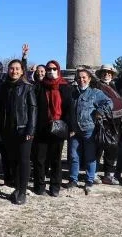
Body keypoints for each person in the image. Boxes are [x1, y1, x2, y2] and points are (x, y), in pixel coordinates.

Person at [0, 59, 36, 205]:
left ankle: (22, 191)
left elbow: (33, 109)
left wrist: (30, 129)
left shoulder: (28, 87)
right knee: (13, 160)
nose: (14, 71)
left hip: (23, 129)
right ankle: (16, 188)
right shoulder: (3, 87)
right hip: (7, 130)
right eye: (12, 68)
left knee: (23, 161)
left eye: (17, 68)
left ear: (22, 71)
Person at [68, 67, 112, 194]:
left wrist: (100, 112)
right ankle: (73, 179)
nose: (81, 80)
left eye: (84, 77)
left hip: (89, 129)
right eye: (79, 78)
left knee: (90, 156)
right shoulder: (73, 92)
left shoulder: (95, 93)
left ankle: (89, 180)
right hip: (74, 130)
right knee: (73, 155)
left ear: (89, 79)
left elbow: (108, 103)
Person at [32, 60, 71, 196]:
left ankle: (55, 186)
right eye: (49, 69)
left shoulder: (65, 86)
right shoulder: (39, 86)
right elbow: (34, 107)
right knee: (40, 159)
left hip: (58, 128)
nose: (51, 71)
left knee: (56, 160)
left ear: (58, 70)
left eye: (54, 69)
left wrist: (68, 127)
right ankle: (40, 185)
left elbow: (69, 108)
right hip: (41, 128)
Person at [94, 64, 122, 185]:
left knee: (112, 150)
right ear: (100, 74)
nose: (106, 75)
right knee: (97, 149)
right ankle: (94, 174)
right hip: (101, 122)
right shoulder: (96, 86)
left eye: (109, 73)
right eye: (104, 73)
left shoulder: (116, 87)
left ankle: (109, 175)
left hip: (115, 123)